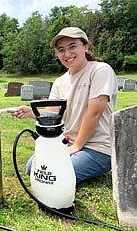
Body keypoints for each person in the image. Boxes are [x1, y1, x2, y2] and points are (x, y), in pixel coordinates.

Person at [13, 27, 117, 184]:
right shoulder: (60, 81)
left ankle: (90, 165)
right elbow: (51, 114)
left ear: (86, 46)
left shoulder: (100, 70)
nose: (67, 54)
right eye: (61, 50)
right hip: (67, 142)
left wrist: (75, 147)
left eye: (72, 46)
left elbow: (94, 114)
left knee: (55, 174)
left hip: (97, 148)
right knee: (31, 168)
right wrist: (31, 112)